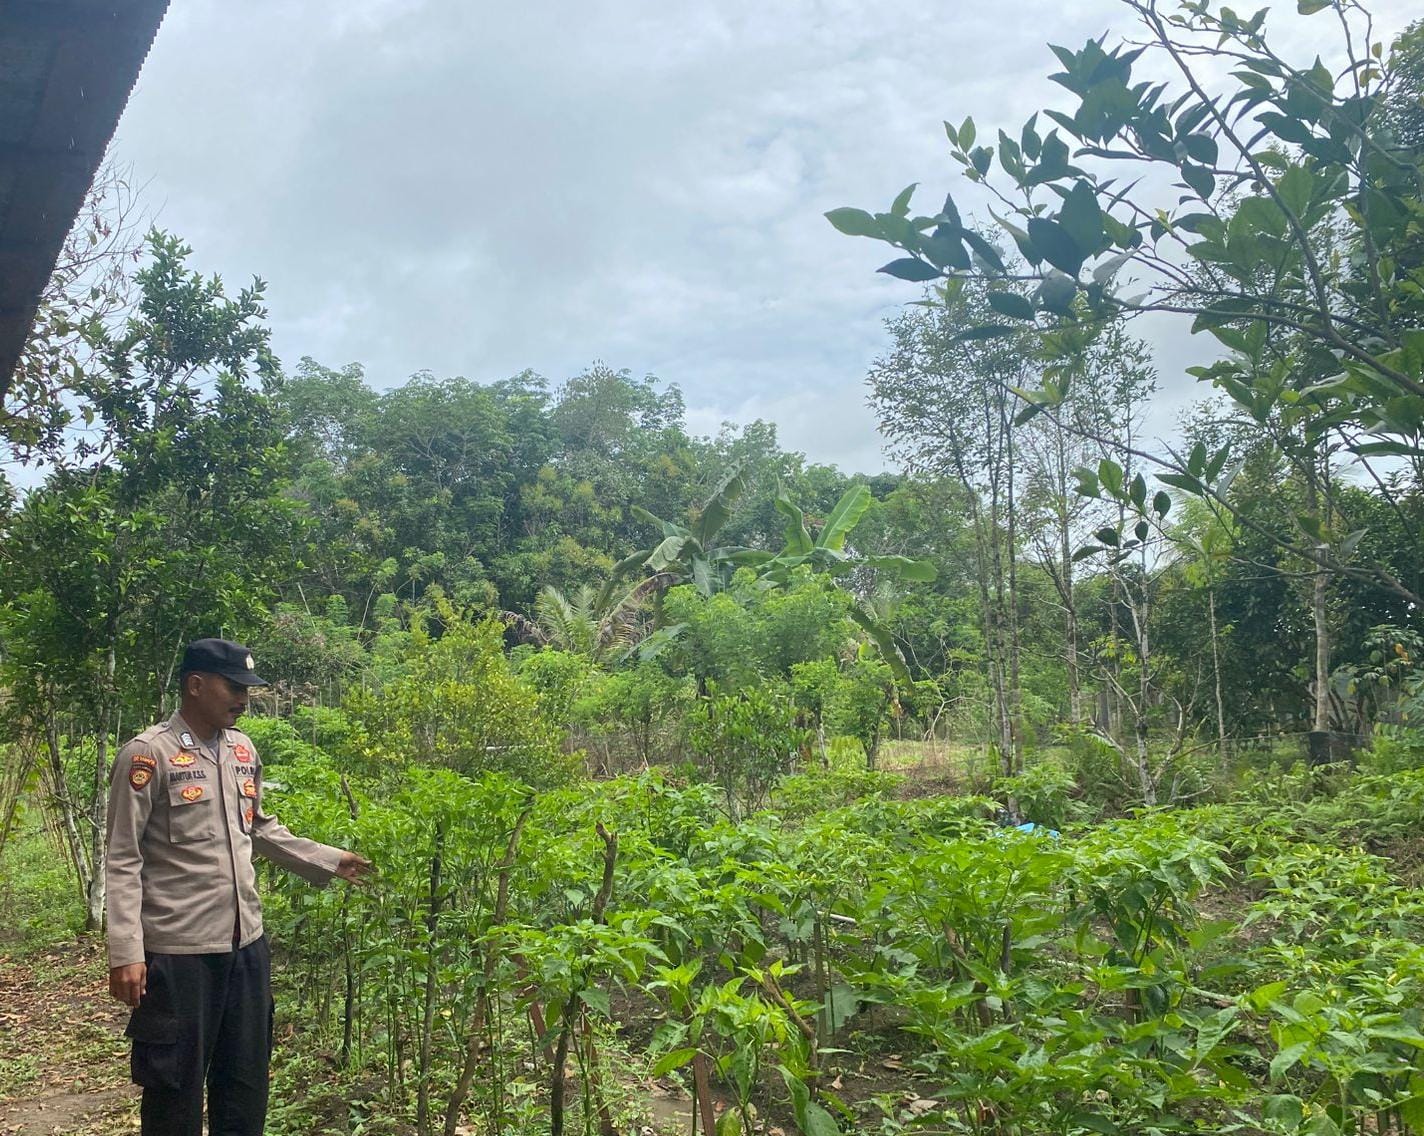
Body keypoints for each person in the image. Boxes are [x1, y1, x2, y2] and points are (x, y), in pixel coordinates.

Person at [105, 637, 372, 1136]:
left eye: (248, 690)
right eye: (234, 687)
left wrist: (330, 860)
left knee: (245, 1086)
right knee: (174, 1093)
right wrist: (126, 952)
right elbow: (123, 856)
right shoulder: (148, 755)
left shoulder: (243, 749)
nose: (244, 700)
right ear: (196, 684)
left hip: (246, 947)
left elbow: (260, 828)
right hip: (178, 954)